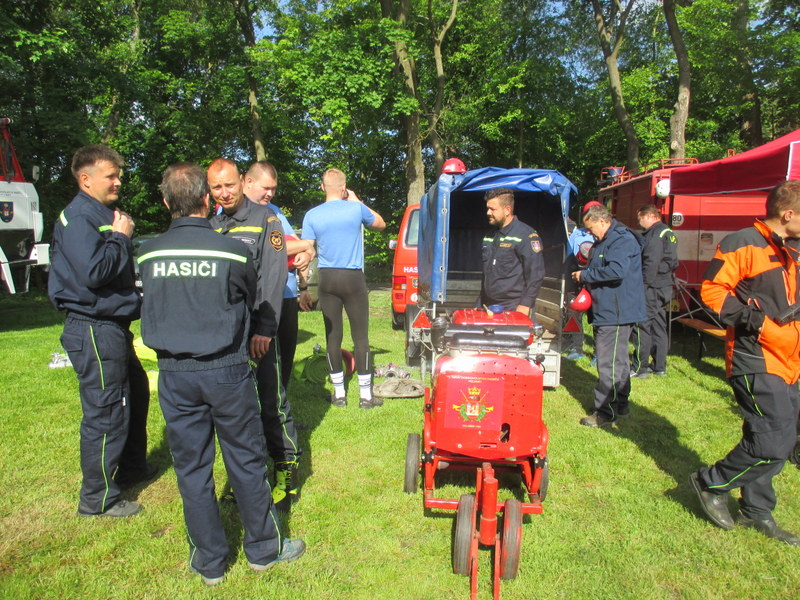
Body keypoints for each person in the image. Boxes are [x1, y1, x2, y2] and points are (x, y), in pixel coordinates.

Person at [138, 162, 304, 586]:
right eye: (217, 188)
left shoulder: (147, 252)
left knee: (191, 468)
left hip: (174, 374)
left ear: (165, 203)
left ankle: (209, 561)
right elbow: (248, 292)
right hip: (226, 368)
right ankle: (263, 549)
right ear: (205, 197)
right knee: (245, 459)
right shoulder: (229, 250)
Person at [688, 181, 800, 546]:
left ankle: (756, 510)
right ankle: (710, 482)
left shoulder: (792, 248)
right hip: (756, 357)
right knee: (772, 441)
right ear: (788, 214)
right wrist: (759, 323)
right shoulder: (743, 241)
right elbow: (712, 291)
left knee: (778, 438)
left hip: (790, 360)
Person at [48, 144, 155, 518]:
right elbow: (94, 272)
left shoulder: (100, 213)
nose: (118, 182)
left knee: (135, 394)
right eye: (111, 176)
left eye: (118, 175)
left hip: (112, 326)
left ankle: (132, 467)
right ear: (86, 179)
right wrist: (120, 237)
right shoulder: (80, 217)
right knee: (106, 410)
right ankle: (97, 498)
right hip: (93, 327)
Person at [207, 158, 299, 511]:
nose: (224, 192)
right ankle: (246, 477)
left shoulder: (266, 220)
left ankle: (286, 471)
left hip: (258, 330)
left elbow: (274, 276)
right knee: (239, 409)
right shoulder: (212, 224)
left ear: (242, 182)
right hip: (226, 334)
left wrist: (264, 329)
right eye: (217, 187)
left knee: (272, 401)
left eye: (229, 185)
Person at [301, 168, 386, 409]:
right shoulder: (356, 208)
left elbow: (306, 249)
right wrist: (357, 200)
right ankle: (366, 397)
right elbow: (381, 224)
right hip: (353, 278)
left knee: (333, 337)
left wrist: (304, 286)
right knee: (361, 337)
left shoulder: (312, 215)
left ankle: (339, 395)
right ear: (344, 188)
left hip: (327, 278)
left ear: (322, 187)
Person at [572, 204, 647, 428]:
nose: (589, 233)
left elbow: (616, 271)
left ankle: (606, 411)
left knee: (609, 363)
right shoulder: (605, 240)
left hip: (616, 311)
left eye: (591, 228)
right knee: (619, 361)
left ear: (603, 221)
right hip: (610, 308)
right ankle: (621, 405)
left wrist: (585, 275)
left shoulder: (621, 240)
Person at [243, 161, 315, 390]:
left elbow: (296, 243)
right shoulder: (234, 210)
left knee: (285, 356)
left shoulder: (274, 210)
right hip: (259, 297)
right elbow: (272, 246)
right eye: (266, 188)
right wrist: (305, 246)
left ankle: (281, 406)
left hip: (287, 293)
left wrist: (305, 252)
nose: (270, 194)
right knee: (261, 360)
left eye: (273, 189)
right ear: (248, 181)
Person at [630, 205, 678, 378]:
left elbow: (651, 262)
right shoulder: (667, 232)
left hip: (652, 287)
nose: (639, 222)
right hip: (664, 286)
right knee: (658, 325)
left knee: (641, 324)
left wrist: (642, 287)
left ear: (650, 216)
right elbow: (672, 262)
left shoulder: (655, 234)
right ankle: (659, 366)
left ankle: (639, 368)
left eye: (640, 218)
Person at [481, 187, 545, 315]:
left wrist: (525, 304)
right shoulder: (489, 236)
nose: (488, 212)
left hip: (514, 307)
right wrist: (479, 303)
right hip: (489, 306)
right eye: (487, 208)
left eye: (493, 209)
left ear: (507, 210)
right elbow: (486, 275)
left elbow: (535, 274)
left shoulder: (526, 235)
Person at [563, 200, 602, 361]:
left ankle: (599, 353)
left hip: (595, 279)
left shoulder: (602, 235)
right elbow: (570, 254)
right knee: (574, 312)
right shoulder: (577, 233)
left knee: (598, 316)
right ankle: (576, 347)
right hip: (577, 276)